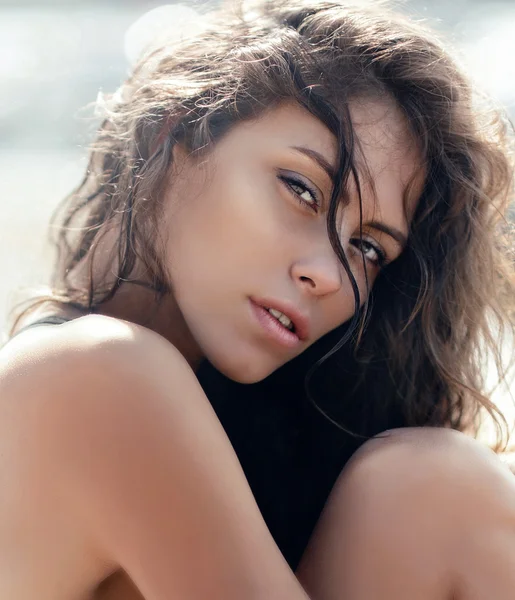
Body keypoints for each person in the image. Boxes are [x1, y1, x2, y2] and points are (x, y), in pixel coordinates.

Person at [2, 0, 515, 598]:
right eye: (301, 189)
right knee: (435, 488)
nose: (328, 274)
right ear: (174, 127)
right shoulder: (94, 372)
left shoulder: (212, 425)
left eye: (368, 250)